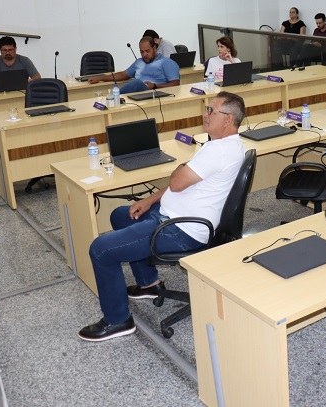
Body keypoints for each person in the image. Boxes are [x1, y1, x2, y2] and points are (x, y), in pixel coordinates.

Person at [78, 92, 246, 342]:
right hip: (175, 216)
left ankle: (117, 320)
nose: (205, 114)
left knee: (101, 249)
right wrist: (150, 200)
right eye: (207, 109)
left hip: (181, 230)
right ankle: (149, 284)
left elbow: (177, 182)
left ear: (228, 119)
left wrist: (180, 168)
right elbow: (182, 182)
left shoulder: (218, 151)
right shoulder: (224, 145)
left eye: (211, 110)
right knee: (121, 215)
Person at [88, 36, 180, 93]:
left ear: (154, 48)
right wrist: (101, 77)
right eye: (142, 52)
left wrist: (155, 86)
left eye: (147, 51)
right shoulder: (139, 62)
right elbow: (123, 74)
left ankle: (114, 97)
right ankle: (115, 97)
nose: (144, 54)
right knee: (131, 83)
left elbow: (175, 84)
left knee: (136, 82)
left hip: (154, 94)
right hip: (136, 96)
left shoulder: (166, 62)